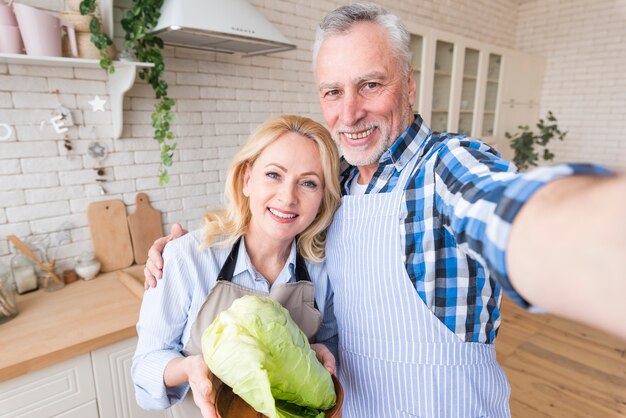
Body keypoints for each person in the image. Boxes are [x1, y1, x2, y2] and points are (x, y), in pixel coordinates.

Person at [144, 3, 626, 417]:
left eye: (370, 85)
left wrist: (590, 238)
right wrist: (178, 252)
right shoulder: (338, 189)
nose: (349, 113)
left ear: (409, 87)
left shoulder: (446, 166)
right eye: (333, 91)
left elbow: (508, 209)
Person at [132, 115, 341, 418]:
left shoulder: (323, 268)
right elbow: (143, 371)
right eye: (274, 175)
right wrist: (189, 368)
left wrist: (324, 353)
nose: (287, 197)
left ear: (322, 198)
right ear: (247, 180)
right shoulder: (187, 258)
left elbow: (330, 341)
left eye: (308, 183)